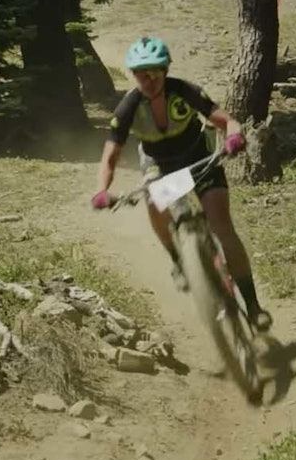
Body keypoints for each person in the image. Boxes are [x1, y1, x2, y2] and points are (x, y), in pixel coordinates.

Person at [91, 36, 272, 331]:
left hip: (198, 162)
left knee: (223, 230)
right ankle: (178, 259)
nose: (147, 81)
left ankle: (252, 306)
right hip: (161, 169)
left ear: (164, 71)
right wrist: (101, 190)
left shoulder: (184, 91)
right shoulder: (129, 106)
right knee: (153, 201)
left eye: (153, 73)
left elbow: (226, 120)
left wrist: (234, 136)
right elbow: (110, 155)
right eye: (140, 74)